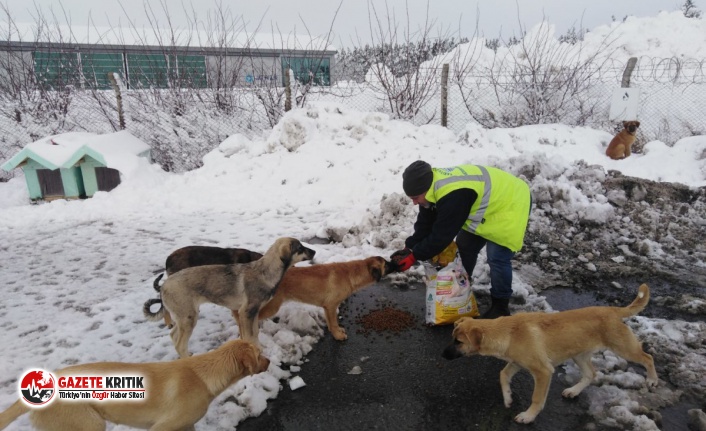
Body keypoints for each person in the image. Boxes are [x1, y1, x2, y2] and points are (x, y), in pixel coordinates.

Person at [391, 160, 531, 319]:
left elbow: (441, 236)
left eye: (416, 197)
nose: (414, 202)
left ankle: (500, 306)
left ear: (425, 189)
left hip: (510, 203)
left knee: (497, 258)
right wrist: (409, 248)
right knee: (465, 246)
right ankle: (462, 289)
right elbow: (426, 223)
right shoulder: (432, 189)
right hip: (486, 207)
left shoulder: (453, 195)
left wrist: (415, 255)